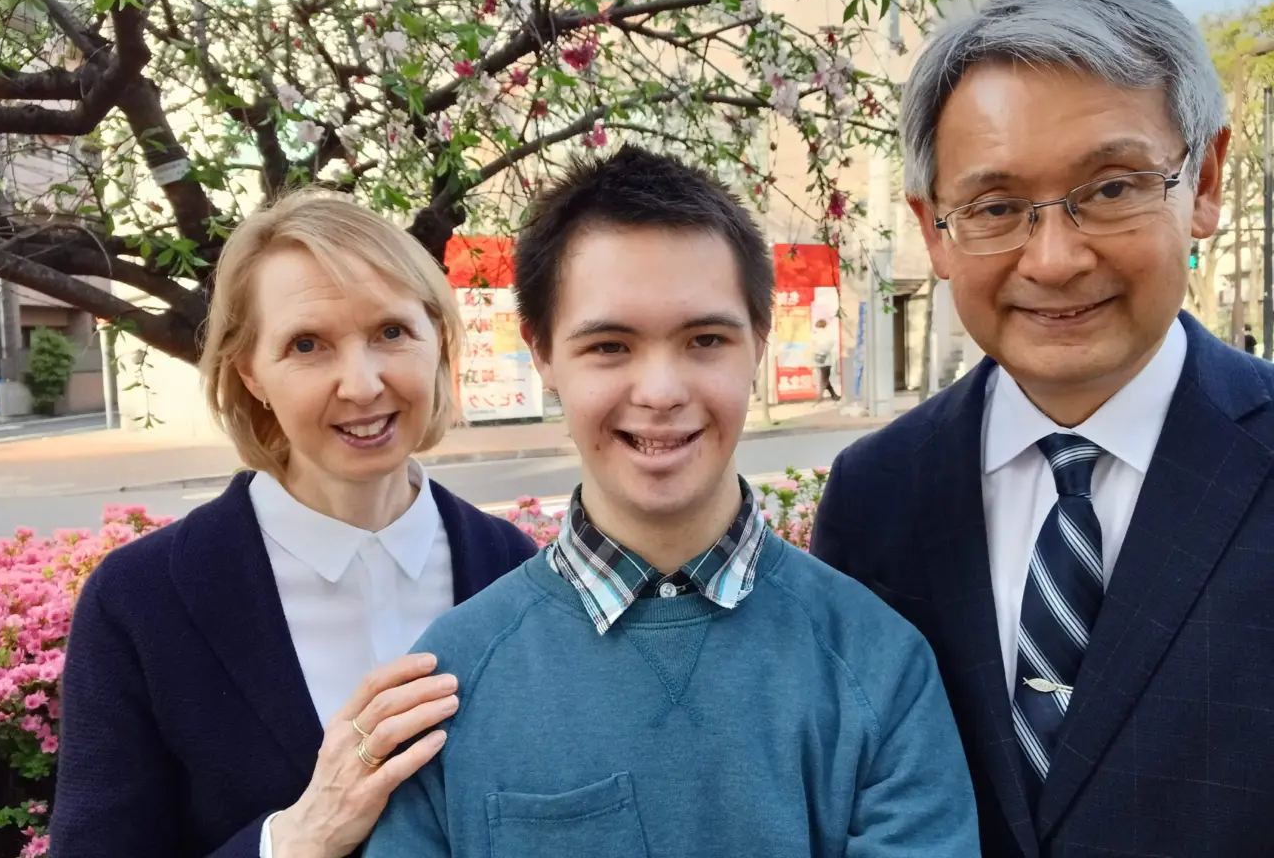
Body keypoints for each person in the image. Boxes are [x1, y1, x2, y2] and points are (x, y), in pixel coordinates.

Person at [363, 145, 979, 858]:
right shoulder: (450, 681)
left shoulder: (877, 662)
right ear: (543, 353)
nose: (660, 392)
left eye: (705, 339)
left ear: (758, 343)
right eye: (609, 346)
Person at [812, 0, 1274, 858]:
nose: (1055, 260)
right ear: (935, 229)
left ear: (1206, 180)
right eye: (995, 207)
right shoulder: (876, 496)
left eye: (1112, 189)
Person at [51, 191, 537, 858]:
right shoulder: (141, 602)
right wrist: (298, 837)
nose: (361, 385)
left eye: (391, 332)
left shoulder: (512, 567)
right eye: (307, 344)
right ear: (250, 373)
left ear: (438, 340)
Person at [812, 317, 840, 403]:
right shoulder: (827, 334)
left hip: (818, 359)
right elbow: (830, 345)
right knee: (824, 378)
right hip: (826, 359)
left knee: (824, 378)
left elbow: (812, 346)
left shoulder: (815, 334)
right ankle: (822, 396)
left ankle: (831, 395)